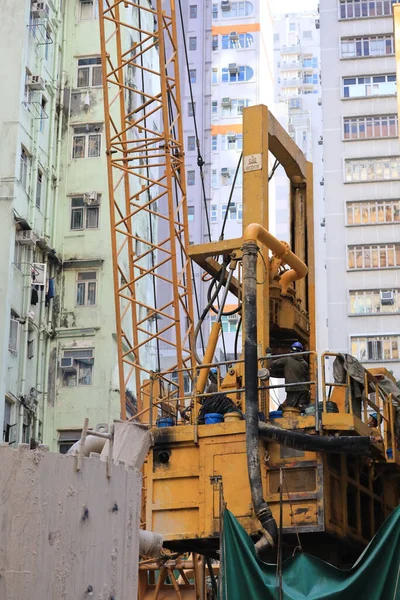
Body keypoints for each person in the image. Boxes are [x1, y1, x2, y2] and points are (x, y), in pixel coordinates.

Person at [267, 342, 310, 410]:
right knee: (301, 408)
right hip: (304, 389)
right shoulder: (304, 363)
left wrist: (268, 355)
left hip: (293, 389)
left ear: (291, 350)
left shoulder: (287, 359)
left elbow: (272, 364)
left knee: (290, 408)